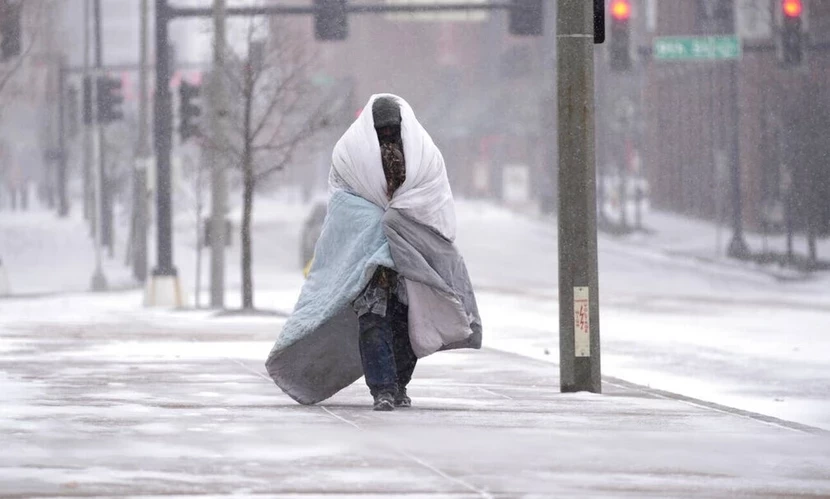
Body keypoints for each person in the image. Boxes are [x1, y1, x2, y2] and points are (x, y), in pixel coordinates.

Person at [265, 94, 482, 410]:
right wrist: (384, 219)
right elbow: (345, 204)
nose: (387, 139)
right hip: (367, 252)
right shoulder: (353, 155)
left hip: (408, 253)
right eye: (382, 132)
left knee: (406, 323)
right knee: (375, 319)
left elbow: (433, 199)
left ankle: (396, 387)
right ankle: (383, 389)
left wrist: (398, 218)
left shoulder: (421, 156)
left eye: (391, 132)